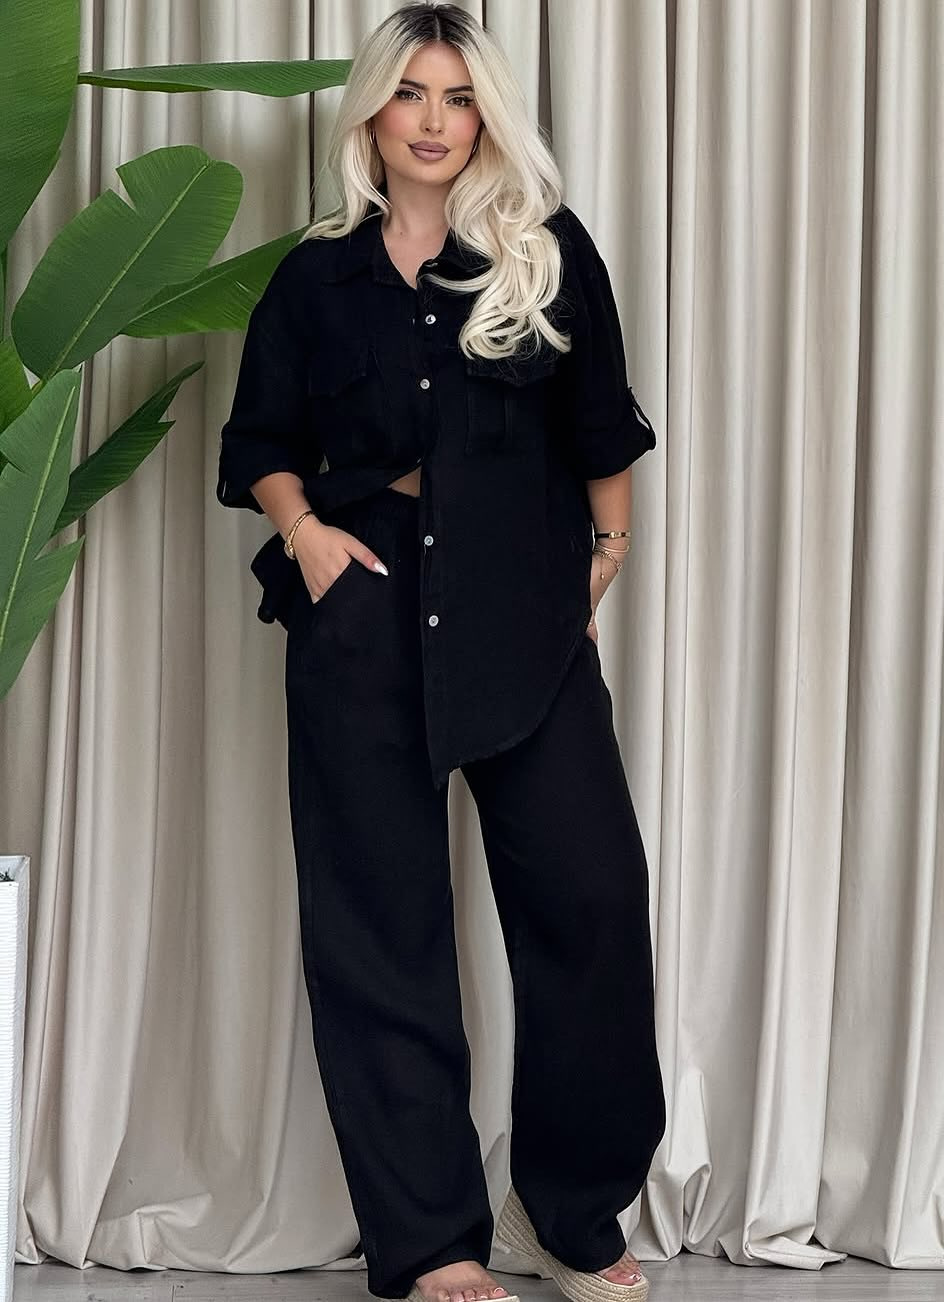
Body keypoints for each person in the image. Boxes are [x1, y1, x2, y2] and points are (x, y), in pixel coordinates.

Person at [216, 5, 666, 1302]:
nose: (432, 120)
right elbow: (258, 442)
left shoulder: (545, 252)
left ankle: (566, 1212)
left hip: (521, 611)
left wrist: (601, 559)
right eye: (409, 93)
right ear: (372, 110)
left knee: (590, 900)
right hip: (362, 611)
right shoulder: (315, 279)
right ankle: (434, 1242)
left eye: (458, 98)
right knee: (381, 926)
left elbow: (601, 423)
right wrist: (306, 535)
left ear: (487, 118)